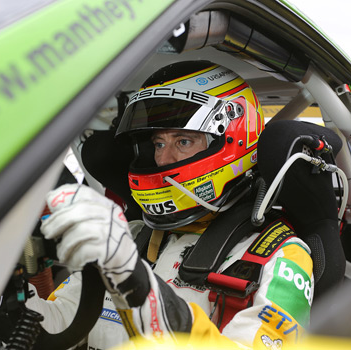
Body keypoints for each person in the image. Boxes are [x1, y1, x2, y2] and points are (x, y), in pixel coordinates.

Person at [28, 61, 321, 349]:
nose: (164, 159)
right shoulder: (129, 235)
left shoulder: (280, 257)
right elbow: (57, 326)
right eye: (158, 144)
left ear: (233, 142)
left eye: (183, 141)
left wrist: (135, 281)